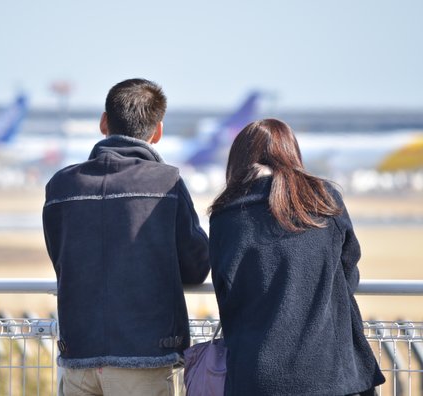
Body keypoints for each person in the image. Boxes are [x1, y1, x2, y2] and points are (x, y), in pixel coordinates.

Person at [43, 78, 210, 396]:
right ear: (157, 131)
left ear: (103, 122)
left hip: (78, 352)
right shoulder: (166, 182)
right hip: (144, 354)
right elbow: (196, 267)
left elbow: (61, 259)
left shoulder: (61, 186)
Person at [208, 119, 385, 396]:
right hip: (332, 374)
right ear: (291, 152)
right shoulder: (324, 200)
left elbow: (225, 292)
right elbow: (348, 269)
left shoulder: (226, 215)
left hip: (256, 376)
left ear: (238, 159)